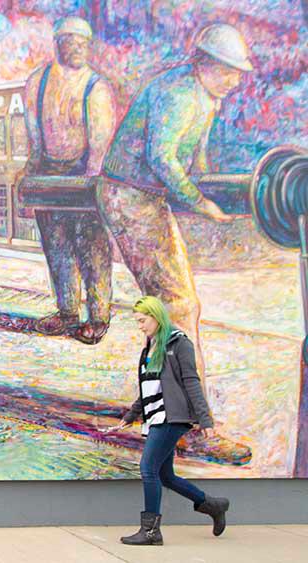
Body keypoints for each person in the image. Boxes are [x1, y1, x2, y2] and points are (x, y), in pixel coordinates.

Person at [98, 23, 251, 381]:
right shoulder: (180, 94)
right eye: (227, 70)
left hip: (144, 195)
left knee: (174, 305)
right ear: (204, 63)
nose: (233, 80)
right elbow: (162, 157)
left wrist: (209, 187)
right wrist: (200, 202)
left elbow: (194, 159)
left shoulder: (205, 96)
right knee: (177, 305)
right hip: (129, 195)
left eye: (237, 73)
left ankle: (162, 399)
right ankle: (183, 413)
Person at [105, 296, 230, 545]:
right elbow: (147, 389)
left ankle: (151, 531)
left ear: (156, 316)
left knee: (147, 468)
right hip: (155, 418)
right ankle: (213, 505)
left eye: (142, 321)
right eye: (137, 322)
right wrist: (128, 418)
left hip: (172, 417)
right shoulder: (149, 347)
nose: (140, 326)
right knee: (165, 476)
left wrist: (205, 420)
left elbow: (191, 382)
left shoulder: (179, 343)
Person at [22, 16, 116, 345]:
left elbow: (100, 142)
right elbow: (34, 133)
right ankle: (67, 312)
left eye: (82, 42)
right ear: (58, 44)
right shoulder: (38, 81)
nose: (77, 48)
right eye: (70, 41)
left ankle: (99, 315)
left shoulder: (97, 87)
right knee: (57, 246)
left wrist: (91, 183)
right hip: (49, 171)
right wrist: (32, 170)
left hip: (84, 172)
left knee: (91, 247)